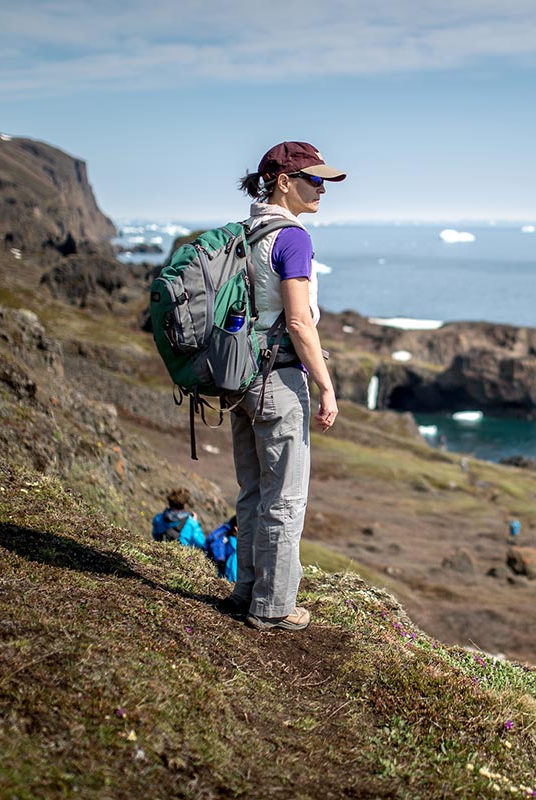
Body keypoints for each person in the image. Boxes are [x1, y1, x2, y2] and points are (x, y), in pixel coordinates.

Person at [219, 141, 344, 632]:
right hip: (280, 378)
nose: (321, 190)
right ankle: (273, 607)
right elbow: (297, 321)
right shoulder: (293, 238)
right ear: (284, 182)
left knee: (252, 491)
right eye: (314, 180)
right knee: (286, 497)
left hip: (240, 375)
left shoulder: (246, 232)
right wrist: (326, 386)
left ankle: (246, 590)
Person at [205, 516, 238, 582]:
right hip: (218, 569)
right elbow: (218, 546)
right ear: (236, 528)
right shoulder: (228, 538)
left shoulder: (224, 531)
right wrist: (221, 560)